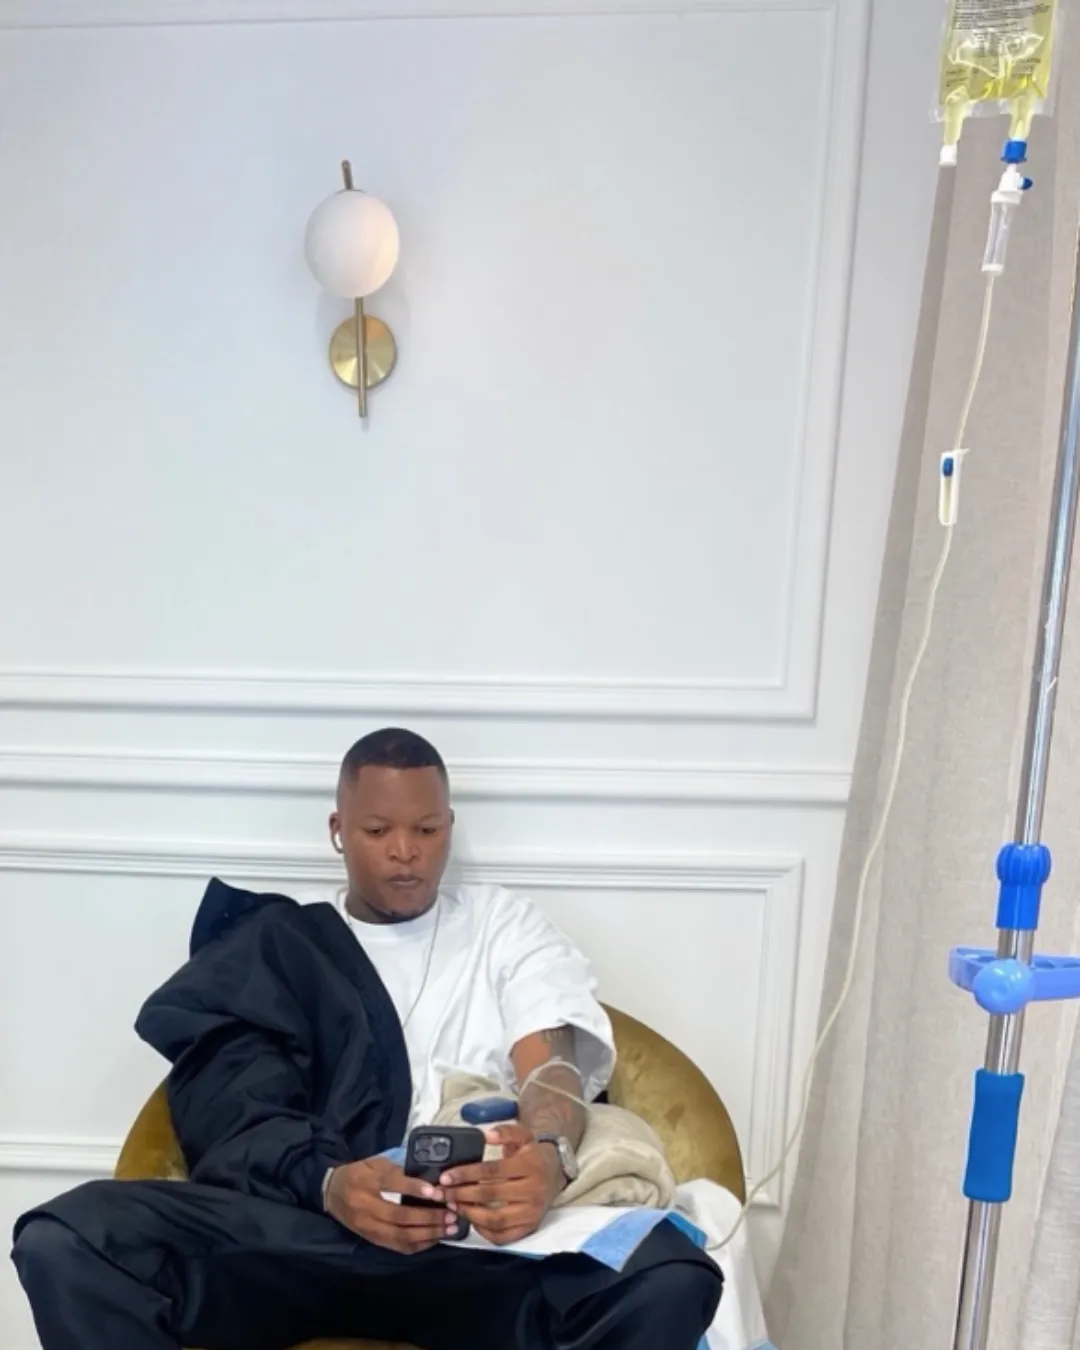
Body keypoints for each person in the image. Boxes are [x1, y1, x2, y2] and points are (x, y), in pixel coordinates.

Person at [12, 728, 722, 1350]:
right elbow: (237, 1109)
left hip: (478, 1251)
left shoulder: (505, 928)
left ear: (450, 826)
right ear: (338, 829)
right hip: (310, 1234)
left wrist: (549, 1158)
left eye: (428, 830)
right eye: (378, 831)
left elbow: (550, 1073)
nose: (406, 853)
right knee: (70, 1237)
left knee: (667, 1274)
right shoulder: (278, 947)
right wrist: (328, 1183)